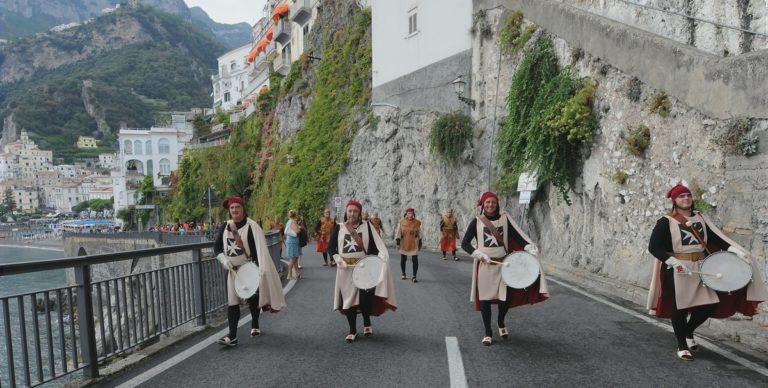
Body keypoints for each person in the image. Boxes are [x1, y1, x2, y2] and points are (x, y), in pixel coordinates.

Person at [646, 184, 768, 360]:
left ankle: (688, 332)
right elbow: (654, 247)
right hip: (679, 269)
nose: (686, 198)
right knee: (680, 308)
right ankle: (682, 346)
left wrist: (736, 251)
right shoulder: (666, 222)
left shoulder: (701, 218)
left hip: (703, 268)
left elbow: (717, 239)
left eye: (688, 195)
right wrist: (674, 262)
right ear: (674, 201)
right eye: (681, 196)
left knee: (710, 304)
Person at [461, 191, 549, 346]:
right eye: (487, 202)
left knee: (505, 299)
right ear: (483, 204)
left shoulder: (504, 219)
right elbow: (465, 244)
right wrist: (479, 254)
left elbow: (517, 236)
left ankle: (501, 321)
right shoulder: (476, 222)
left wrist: (528, 247)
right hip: (485, 266)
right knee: (485, 300)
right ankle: (488, 332)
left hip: (505, 266)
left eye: (493, 202)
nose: (490, 205)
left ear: (497, 204)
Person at [214, 196, 286, 346]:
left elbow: (258, 250)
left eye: (237, 207)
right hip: (232, 271)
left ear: (243, 208)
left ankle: (254, 323)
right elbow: (217, 248)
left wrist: (260, 270)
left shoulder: (252, 227)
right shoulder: (225, 227)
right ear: (229, 210)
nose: (234, 210)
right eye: (232, 208)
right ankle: (232, 336)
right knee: (232, 302)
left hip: (249, 269)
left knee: (253, 299)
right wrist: (223, 259)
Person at [328, 199, 397, 342]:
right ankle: (352, 330)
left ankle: (366, 321)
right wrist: (338, 259)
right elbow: (331, 247)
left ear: (359, 214)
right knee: (348, 301)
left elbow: (375, 247)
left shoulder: (367, 227)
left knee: (365, 299)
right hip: (345, 270)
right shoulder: (339, 227)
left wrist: (379, 259)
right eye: (350, 211)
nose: (352, 214)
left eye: (355, 211)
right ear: (346, 212)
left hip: (364, 269)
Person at [395, 208, 422, 283]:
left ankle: (414, 276)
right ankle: (403, 273)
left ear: (413, 214)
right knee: (403, 259)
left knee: (415, 259)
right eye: (409, 213)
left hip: (414, 242)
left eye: (411, 213)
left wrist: (420, 242)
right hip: (404, 242)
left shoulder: (417, 222)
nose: (410, 215)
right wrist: (397, 243)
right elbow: (398, 232)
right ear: (406, 214)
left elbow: (420, 232)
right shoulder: (402, 222)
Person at [284, 210, 302, 280]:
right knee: (293, 258)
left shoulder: (288, 221)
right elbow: (297, 231)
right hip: (293, 242)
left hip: (291, 241)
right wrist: (300, 229)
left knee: (295, 258)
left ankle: (297, 273)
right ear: (295, 215)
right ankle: (289, 275)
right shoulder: (293, 221)